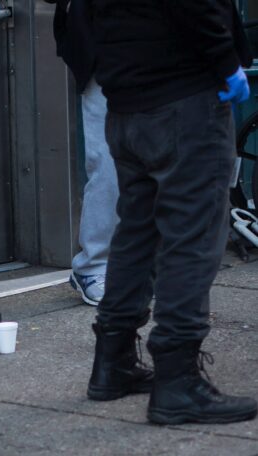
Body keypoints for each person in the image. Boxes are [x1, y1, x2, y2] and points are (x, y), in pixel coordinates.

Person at [87, 0, 257, 425]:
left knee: (138, 232)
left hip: (127, 97)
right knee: (192, 238)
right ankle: (178, 383)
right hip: (184, 97)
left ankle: (114, 361)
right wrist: (226, 61)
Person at [45, 0, 119, 306]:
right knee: (109, 165)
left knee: (150, 160)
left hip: (154, 49)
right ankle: (94, 266)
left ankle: (130, 263)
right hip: (104, 49)